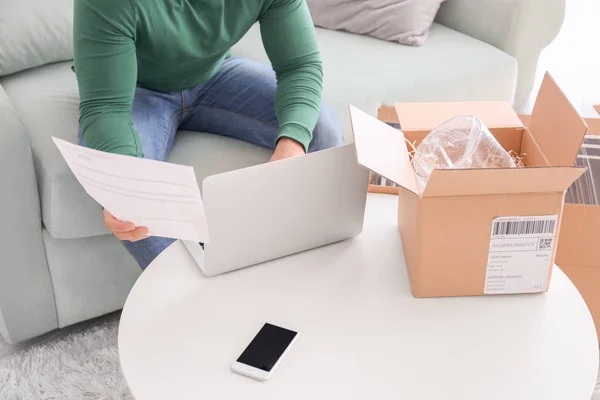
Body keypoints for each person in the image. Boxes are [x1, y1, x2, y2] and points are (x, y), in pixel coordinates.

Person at [73, 0, 344, 269]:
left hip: (215, 73)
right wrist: (120, 184)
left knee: (322, 131)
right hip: (134, 90)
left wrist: (292, 147)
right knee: (134, 199)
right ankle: (199, 296)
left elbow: (299, 66)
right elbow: (105, 108)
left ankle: (292, 272)